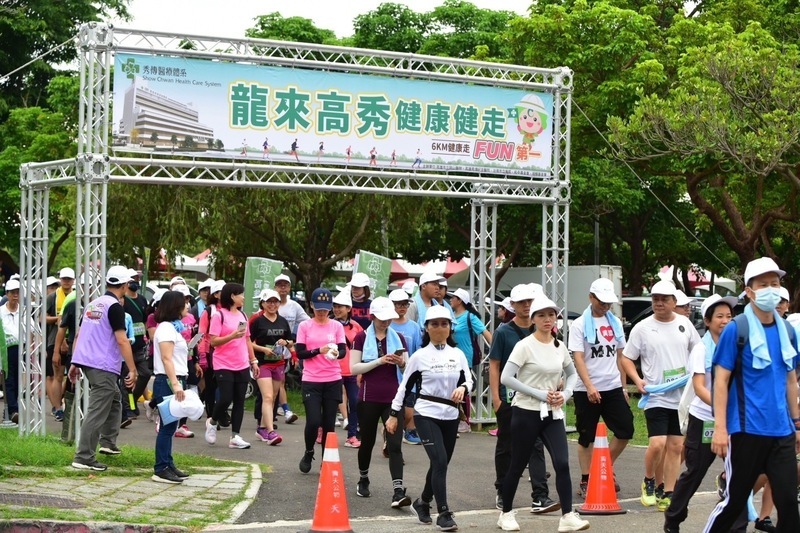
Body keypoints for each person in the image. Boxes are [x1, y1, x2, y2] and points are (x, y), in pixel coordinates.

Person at [703, 257, 800, 532]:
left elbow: (790, 380)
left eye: (775, 283)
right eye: (763, 284)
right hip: (746, 430)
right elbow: (720, 381)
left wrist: (796, 424)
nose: (771, 289)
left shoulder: (788, 331)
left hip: (781, 431)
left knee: (788, 503)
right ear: (749, 291)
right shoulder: (737, 329)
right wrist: (720, 428)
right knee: (734, 503)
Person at [497, 296, 590, 533]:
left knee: (562, 463)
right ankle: (506, 513)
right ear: (533, 319)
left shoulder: (559, 346)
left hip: (553, 413)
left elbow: (572, 374)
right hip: (525, 412)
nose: (547, 319)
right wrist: (537, 393)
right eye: (541, 315)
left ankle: (567, 515)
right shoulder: (524, 345)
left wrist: (566, 394)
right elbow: (506, 377)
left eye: (551, 314)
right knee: (517, 465)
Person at [663, 294, 747, 532]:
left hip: (733, 421)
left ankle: (737, 527)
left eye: (729, 316)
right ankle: (673, 519)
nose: (725, 321)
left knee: (739, 474)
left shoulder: (739, 346)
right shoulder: (701, 349)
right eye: (719, 316)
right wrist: (722, 408)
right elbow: (700, 388)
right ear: (708, 321)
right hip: (705, 420)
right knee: (695, 472)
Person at [386, 305, 472, 532]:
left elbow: (469, 379)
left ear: (450, 328)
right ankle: (443, 513)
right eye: (435, 324)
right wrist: (394, 415)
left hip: (450, 415)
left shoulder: (458, 354)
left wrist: (463, 388)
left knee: (440, 463)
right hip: (426, 414)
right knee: (440, 461)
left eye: (444, 324)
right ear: (427, 328)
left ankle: (423, 502)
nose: (440, 328)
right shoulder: (419, 356)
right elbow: (404, 388)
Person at [622, 280, 702, 511]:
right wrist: (637, 380)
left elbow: (698, 351)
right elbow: (627, 358)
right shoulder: (642, 328)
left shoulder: (685, 324)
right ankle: (648, 481)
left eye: (664, 299)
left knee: (676, 447)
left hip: (681, 397)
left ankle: (668, 491)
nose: (659, 303)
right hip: (656, 395)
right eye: (655, 299)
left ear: (674, 302)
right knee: (657, 444)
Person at [489, 283, 556, 514]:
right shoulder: (503, 332)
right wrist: (496, 398)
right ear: (512, 305)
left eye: (530, 301)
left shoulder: (543, 330)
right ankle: (502, 489)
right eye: (521, 302)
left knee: (536, 445)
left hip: (536, 398)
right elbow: (494, 365)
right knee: (507, 445)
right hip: (509, 398)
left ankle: (540, 495)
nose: (526, 306)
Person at [569, 278, 633, 498]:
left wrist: (623, 387)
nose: (605, 306)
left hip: (612, 386)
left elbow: (621, 356)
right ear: (591, 297)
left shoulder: (615, 323)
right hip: (585, 388)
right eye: (601, 301)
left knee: (625, 429)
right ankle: (587, 478)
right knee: (586, 436)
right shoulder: (579, 324)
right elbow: (578, 358)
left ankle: (602, 466)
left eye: (608, 302)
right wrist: (589, 386)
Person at [69, 266, 137, 471]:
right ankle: (83, 456)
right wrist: (132, 369)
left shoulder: (93, 304)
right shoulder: (115, 307)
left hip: (88, 362)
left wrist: (75, 362)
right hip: (103, 365)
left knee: (115, 398)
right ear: (125, 285)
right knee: (97, 411)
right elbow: (122, 340)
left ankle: (107, 442)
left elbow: (80, 335)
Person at [349, 297, 411, 507]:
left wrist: (401, 363)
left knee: (395, 444)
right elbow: (353, 368)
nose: (386, 322)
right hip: (368, 398)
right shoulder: (361, 337)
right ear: (373, 316)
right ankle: (363, 478)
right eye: (382, 318)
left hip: (393, 399)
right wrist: (379, 361)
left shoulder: (398, 338)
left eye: (389, 319)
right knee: (367, 442)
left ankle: (398, 491)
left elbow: (407, 369)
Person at [295, 288, 346, 473]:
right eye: (318, 308)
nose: (322, 312)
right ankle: (309, 451)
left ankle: (326, 459)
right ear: (311, 306)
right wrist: (318, 350)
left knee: (329, 423)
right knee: (314, 421)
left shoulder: (336, 326)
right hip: (312, 380)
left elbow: (343, 351)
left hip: (333, 379)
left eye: (325, 309)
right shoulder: (305, 326)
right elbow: (300, 352)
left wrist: (336, 353)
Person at [204, 282, 258, 450]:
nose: (243, 297)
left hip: (241, 363)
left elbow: (247, 339)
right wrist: (232, 336)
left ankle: (235, 436)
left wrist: (253, 361)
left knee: (239, 400)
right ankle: (212, 422)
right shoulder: (219, 315)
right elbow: (213, 341)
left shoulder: (243, 315)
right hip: (223, 363)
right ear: (233, 296)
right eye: (241, 294)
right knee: (226, 398)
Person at [150, 290, 192, 484]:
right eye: (184, 303)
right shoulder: (166, 328)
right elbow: (167, 358)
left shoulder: (172, 328)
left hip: (174, 380)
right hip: (167, 381)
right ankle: (161, 468)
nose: (187, 306)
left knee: (171, 426)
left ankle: (168, 463)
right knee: (167, 427)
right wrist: (175, 384)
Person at [250, 288, 292, 445]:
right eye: (269, 302)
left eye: (275, 302)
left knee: (273, 397)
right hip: (263, 363)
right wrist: (263, 350)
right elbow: (247, 342)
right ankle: (271, 432)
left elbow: (291, 341)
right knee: (267, 397)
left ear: (279, 304)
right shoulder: (257, 321)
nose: (272, 305)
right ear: (262, 303)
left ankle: (261, 428)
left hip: (279, 363)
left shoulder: (283, 321)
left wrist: (286, 342)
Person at [448, 287, 493, 432]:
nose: (450, 300)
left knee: (463, 387)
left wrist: (497, 349)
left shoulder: (470, 317)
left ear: (460, 301)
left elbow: (485, 333)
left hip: (465, 358)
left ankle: (465, 421)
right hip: (450, 356)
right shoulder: (451, 315)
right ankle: (455, 417)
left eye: (453, 297)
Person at [388, 289, 423, 445]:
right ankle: (392, 436)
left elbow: (418, 349)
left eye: (405, 304)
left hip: (408, 373)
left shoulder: (414, 327)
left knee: (409, 411)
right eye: (399, 304)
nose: (402, 308)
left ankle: (406, 430)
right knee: (394, 408)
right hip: (390, 374)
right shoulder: (387, 324)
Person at [274, 273, 308, 424]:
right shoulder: (269, 304)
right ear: (275, 287)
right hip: (269, 350)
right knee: (277, 382)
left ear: (289, 288)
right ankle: (283, 409)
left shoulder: (294, 306)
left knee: (280, 381)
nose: (282, 288)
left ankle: (279, 409)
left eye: (285, 285)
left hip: (286, 351)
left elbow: (307, 322)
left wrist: (295, 340)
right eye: (279, 285)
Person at [332, 290, 363, 448]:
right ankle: (323, 431)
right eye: (335, 306)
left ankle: (352, 435)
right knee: (331, 402)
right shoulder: (329, 324)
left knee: (355, 403)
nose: (337, 309)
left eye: (341, 307)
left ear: (349, 308)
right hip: (332, 370)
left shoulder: (356, 326)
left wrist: (361, 369)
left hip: (351, 370)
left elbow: (363, 346)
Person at [122, 269, 151, 421]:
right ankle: (129, 408)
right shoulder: (122, 301)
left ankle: (132, 400)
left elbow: (145, 321)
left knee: (145, 373)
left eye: (137, 278)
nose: (135, 281)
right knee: (127, 380)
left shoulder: (142, 300)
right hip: (126, 347)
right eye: (132, 279)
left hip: (140, 345)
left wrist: (147, 337)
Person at [1, 278, 21, 423]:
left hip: (21, 349)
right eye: (12, 292)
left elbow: (32, 330)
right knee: (9, 380)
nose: (15, 295)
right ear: (7, 294)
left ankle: (11, 409)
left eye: (17, 292)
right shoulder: (1, 312)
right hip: (5, 350)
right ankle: (13, 410)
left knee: (18, 381)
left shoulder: (24, 311)